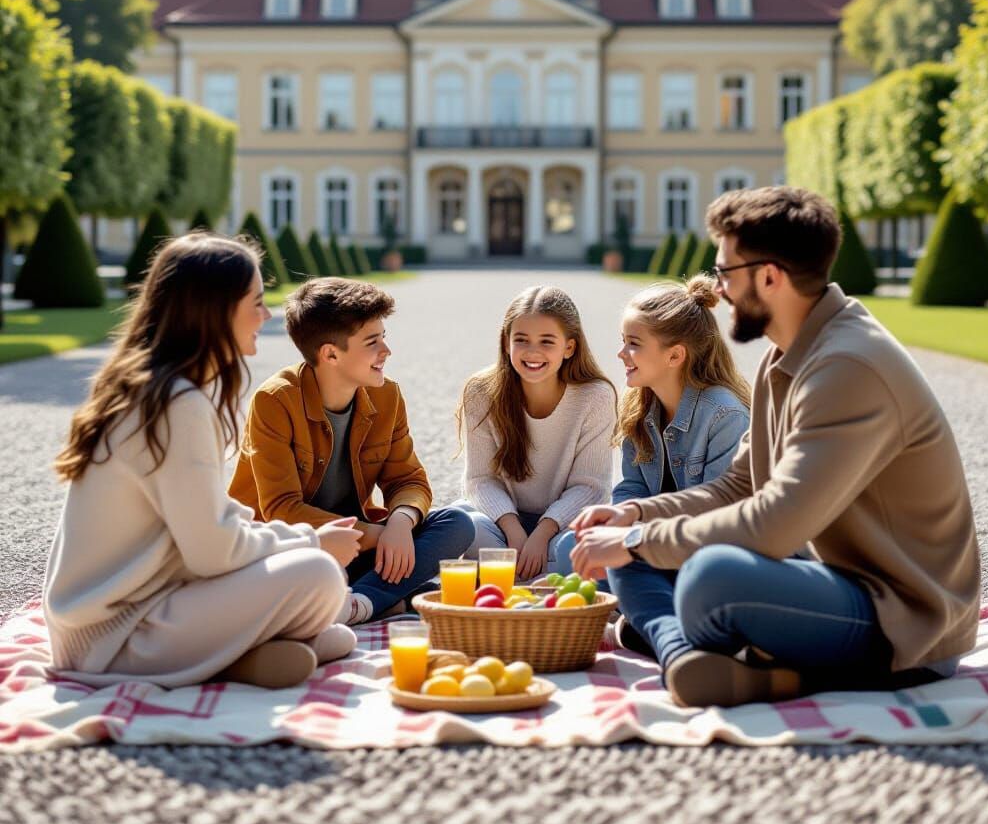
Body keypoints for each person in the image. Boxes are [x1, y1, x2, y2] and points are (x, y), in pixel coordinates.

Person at [571, 186, 980, 708]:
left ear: (769, 276)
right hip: (836, 587)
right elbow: (739, 485)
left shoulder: (849, 366)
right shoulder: (786, 358)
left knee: (708, 576)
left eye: (725, 273)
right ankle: (687, 658)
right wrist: (633, 513)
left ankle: (670, 640)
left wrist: (637, 539)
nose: (717, 291)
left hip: (907, 618)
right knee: (640, 549)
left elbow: (774, 523)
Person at [45, 234, 362, 690]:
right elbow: (213, 552)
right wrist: (311, 544)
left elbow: (212, 527)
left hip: (109, 621)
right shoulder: (178, 403)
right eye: (255, 301)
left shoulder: (159, 388)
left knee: (331, 625)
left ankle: (238, 658)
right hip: (115, 636)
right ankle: (230, 658)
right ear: (214, 310)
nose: (265, 315)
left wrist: (299, 540)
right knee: (319, 577)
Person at [230, 277, 474, 624]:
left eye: (383, 339)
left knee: (457, 523)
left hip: (361, 546)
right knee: (297, 573)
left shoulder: (386, 396)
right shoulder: (275, 401)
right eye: (372, 342)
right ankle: (390, 599)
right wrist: (380, 535)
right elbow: (280, 509)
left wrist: (401, 523)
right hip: (293, 548)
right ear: (330, 353)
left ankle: (360, 603)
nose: (386, 352)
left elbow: (408, 480)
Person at [607, 276, 749, 664]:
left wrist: (635, 536)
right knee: (576, 548)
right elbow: (631, 485)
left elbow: (720, 516)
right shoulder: (639, 407)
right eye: (623, 340)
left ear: (675, 355)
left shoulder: (725, 415)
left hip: (704, 550)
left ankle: (655, 622)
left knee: (627, 558)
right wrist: (610, 522)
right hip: (654, 543)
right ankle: (658, 613)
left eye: (633, 344)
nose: (621, 353)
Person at [455, 286, 616, 580]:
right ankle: (542, 580)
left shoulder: (596, 396)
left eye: (547, 341)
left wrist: (543, 532)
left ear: (569, 347)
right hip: (501, 524)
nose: (533, 352)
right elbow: (480, 480)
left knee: (577, 545)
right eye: (522, 340)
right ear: (506, 343)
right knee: (460, 525)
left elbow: (590, 486)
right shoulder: (480, 391)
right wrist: (514, 531)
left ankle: (508, 577)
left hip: (564, 525)